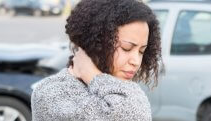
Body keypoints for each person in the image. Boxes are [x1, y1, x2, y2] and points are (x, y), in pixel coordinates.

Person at [31, 0, 162, 120]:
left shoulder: (120, 89)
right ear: (96, 42)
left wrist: (91, 74)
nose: (136, 61)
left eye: (141, 51)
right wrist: (94, 77)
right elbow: (133, 113)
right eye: (126, 48)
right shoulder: (50, 92)